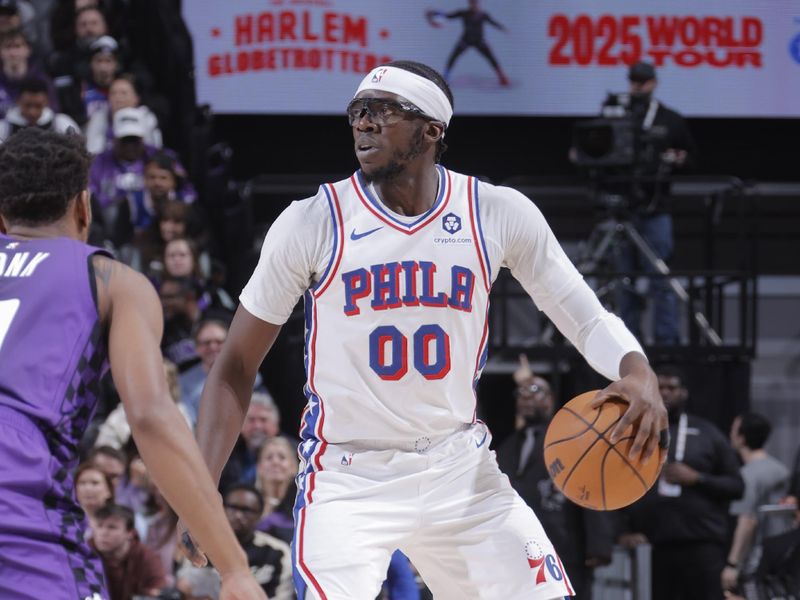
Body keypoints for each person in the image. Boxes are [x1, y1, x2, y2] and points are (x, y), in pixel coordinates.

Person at [187, 60, 667, 599]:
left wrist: (637, 369)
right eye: (356, 113)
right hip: (349, 476)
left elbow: (585, 315)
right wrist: (200, 488)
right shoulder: (312, 221)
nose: (363, 124)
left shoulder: (496, 212)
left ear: (432, 130)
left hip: (459, 468)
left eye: (382, 112)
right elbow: (235, 364)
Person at [0, 128, 265, 599]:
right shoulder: (110, 280)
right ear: (84, 206)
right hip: (19, 521)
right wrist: (235, 567)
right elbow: (149, 415)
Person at [618, 364, 744, 600]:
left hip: (702, 543)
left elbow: (737, 486)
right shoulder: (637, 431)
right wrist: (623, 530)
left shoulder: (707, 432)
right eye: (659, 387)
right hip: (654, 545)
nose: (665, 393)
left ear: (684, 392)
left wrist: (698, 478)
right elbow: (616, 484)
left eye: (671, 387)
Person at [496, 357, 614, 599]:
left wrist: (598, 545)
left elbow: (589, 487)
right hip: (520, 549)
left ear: (550, 400)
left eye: (536, 392)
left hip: (565, 545)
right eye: (521, 394)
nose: (527, 399)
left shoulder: (567, 440)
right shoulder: (506, 446)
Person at [606, 61, 697, 345]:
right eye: (633, 80)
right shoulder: (616, 117)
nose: (637, 86)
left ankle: (666, 341)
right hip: (622, 209)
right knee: (623, 281)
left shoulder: (670, 119)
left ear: (654, 82)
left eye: (643, 81)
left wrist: (675, 159)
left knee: (661, 279)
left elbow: (692, 158)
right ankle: (627, 344)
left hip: (656, 209)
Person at [723, 412, 793, 594]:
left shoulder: (747, 476)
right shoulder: (781, 469)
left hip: (756, 564)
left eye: (733, 430)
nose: (730, 434)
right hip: (786, 556)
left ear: (742, 437)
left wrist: (732, 564)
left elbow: (747, 521)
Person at [223, 484, 295, 600]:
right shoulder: (203, 546)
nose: (238, 515)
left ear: (260, 514)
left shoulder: (278, 552)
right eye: (233, 507)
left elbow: (284, 595)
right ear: (222, 509)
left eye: (247, 510)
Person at [92, 503, 168, 600]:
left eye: (112, 527)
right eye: (99, 526)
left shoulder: (146, 558)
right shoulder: (84, 552)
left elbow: (159, 593)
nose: (103, 533)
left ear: (130, 533)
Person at [426, 0, 509, 86]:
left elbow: (493, 22)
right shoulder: (464, 13)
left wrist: (503, 28)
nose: (474, 5)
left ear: (478, 4)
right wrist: (434, 12)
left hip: (479, 41)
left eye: (476, 3)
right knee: (453, 57)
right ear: (470, 4)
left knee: (491, 57)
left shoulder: (483, 15)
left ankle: (502, 78)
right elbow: (448, 16)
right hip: (466, 40)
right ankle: (445, 77)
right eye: (472, 3)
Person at [0, 75, 78, 139]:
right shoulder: (3, 129)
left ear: (47, 101)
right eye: (27, 105)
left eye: (38, 106)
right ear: (18, 101)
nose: (32, 112)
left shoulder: (62, 124)